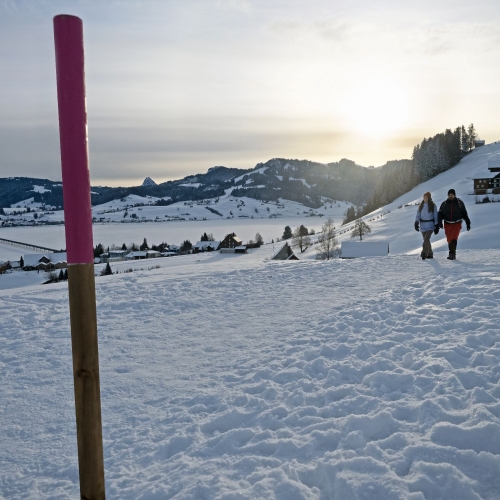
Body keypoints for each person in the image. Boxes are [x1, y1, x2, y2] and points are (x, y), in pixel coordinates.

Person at [438, 189, 471, 260]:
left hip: (457, 223)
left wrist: (468, 222)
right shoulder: (444, 204)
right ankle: (451, 253)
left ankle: (453, 253)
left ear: (454, 195)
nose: (450, 196)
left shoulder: (459, 203)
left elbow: (464, 213)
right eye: (449, 195)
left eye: (452, 195)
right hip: (447, 223)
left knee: (454, 237)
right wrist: (439, 222)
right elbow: (440, 214)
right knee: (449, 239)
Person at [414, 191, 439, 259]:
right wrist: (416, 223)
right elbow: (418, 215)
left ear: (429, 198)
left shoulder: (433, 206)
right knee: (426, 240)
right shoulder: (421, 206)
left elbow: (435, 216)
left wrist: (436, 225)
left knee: (426, 239)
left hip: (430, 225)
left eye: (426, 197)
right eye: (424, 197)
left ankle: (424, 253)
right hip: (423, 226)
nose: (425, 198)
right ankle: (430, 254)